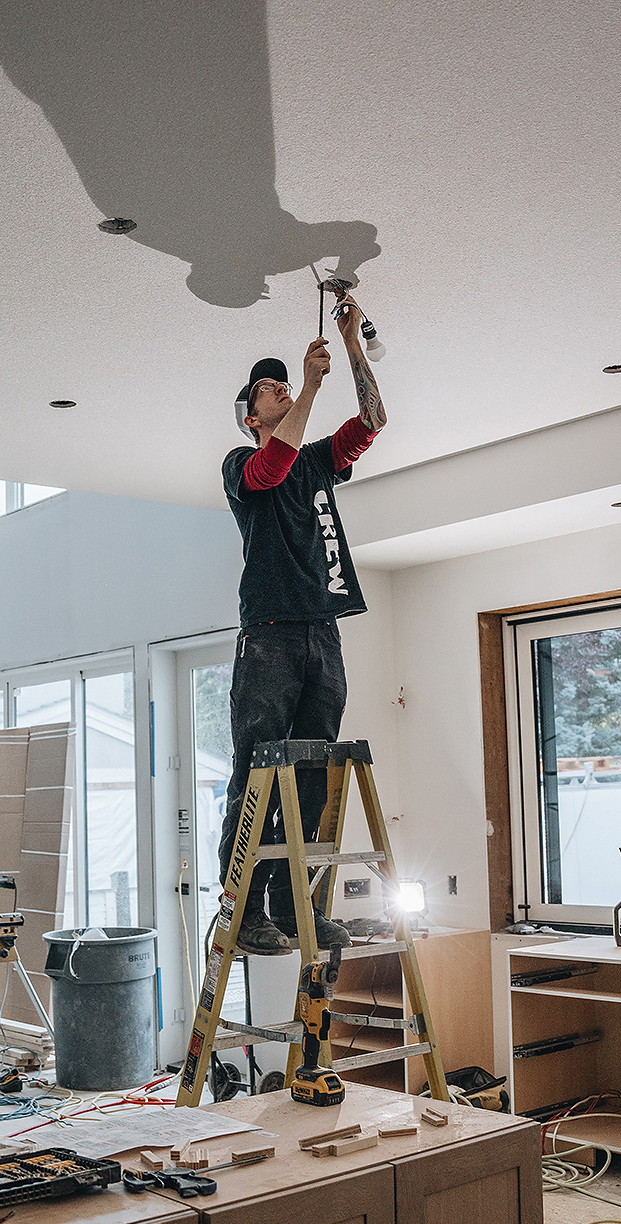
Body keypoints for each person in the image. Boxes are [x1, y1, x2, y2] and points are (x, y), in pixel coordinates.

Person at [218, 292, 387, 955]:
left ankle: (294, 908)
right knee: (254, 773)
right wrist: (310, 388)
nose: (282, 388)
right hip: (270, 634)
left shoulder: (319, 458)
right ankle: (240, 910)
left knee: (310, 776)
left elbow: (374, 419)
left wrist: (348, 344)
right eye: (269, 388)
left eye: (284, 382)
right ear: (249, 415)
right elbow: (274, 465)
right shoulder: (242, 467)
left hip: (323, 629)